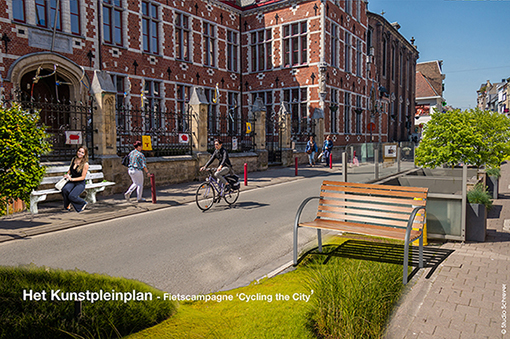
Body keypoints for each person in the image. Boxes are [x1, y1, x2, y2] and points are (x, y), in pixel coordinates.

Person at [62, 146, 90, 212]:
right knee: (65, 190)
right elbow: (70, 170)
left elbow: (83, 177)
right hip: (72, 181)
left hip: (80, 183)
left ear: (85, 154)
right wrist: (67, 174)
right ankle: (67, 205)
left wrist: (71, 179)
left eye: (82, 152)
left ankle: (83, 203)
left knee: (72, 196)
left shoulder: (85, 164)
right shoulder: (74, 159)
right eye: (79, 151)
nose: (80, 153)